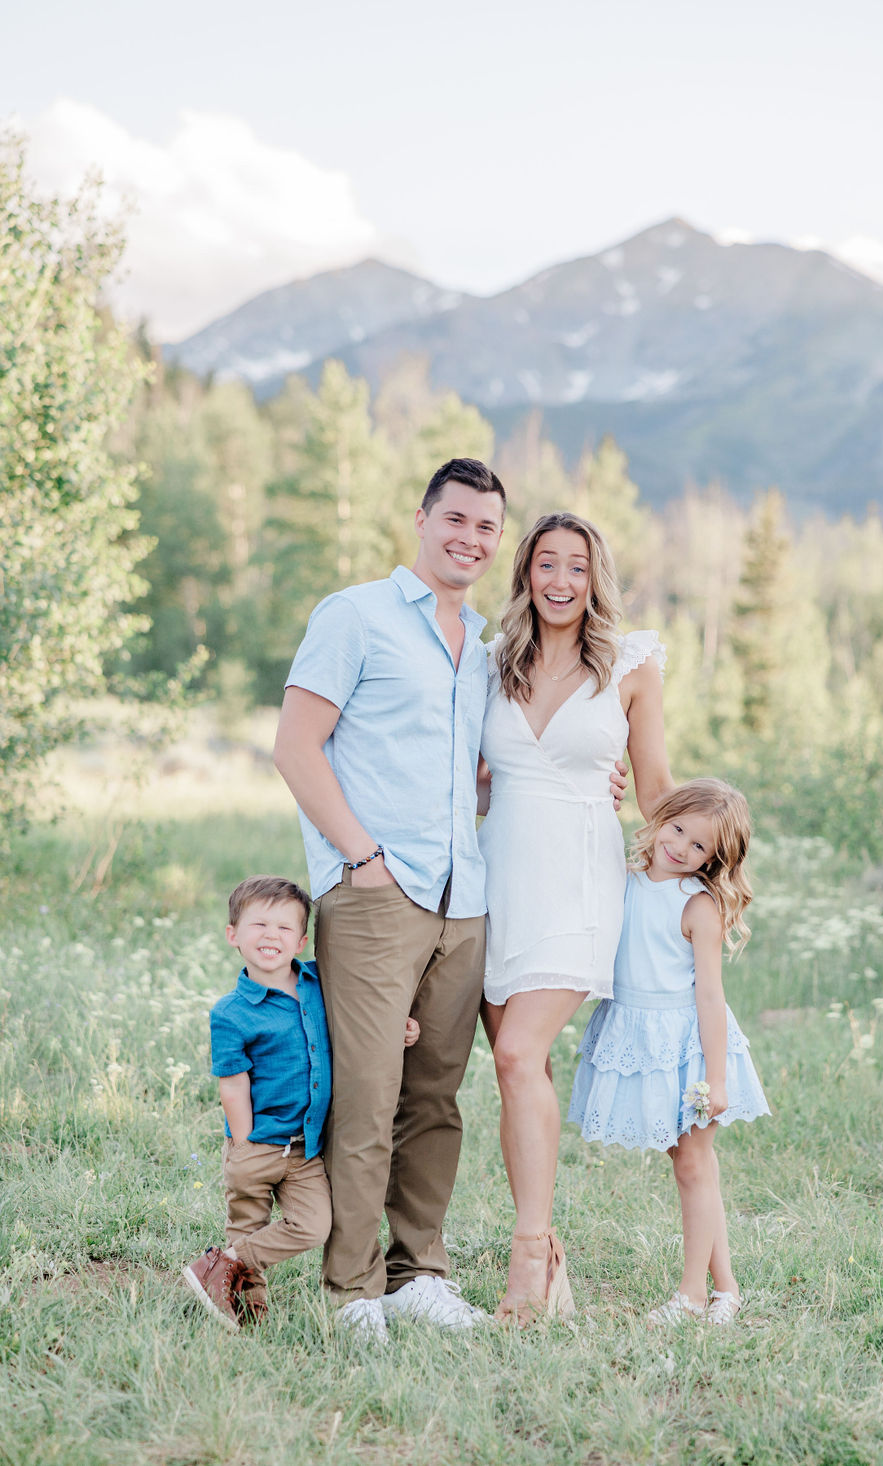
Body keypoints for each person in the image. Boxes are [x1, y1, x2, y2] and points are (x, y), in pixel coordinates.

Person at [273, 458, 506, 1342]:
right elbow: (298, 747)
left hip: (462, 901)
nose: (469, 539)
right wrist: (361, 859)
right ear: (421, 518)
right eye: (456, 519)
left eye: (486, 527)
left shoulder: (479, 650)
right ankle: (354, 1293)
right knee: (367, 1097)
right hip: (376, 894)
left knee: (435, 1100)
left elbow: (466, 783)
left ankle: (421, 1276)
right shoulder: (355, 615)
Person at [477, 511, 674, 1323]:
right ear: (525, 573)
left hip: (581, 886)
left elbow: (656, 787)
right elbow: (479, 779)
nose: (561, 581)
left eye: (578, 568)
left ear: (596, 581)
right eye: (546, 564)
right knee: (517, 1073)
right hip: (498, 885)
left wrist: (699, 866)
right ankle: (547, 1252)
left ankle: (528, 1262)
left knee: (521, 1057)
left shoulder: (631, 665)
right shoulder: (491, 663)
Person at [568, 779, 770, 1325]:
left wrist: (718, 1076)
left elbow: (710, 995)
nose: (680, 847)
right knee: (691, 1164)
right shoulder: (627, 882)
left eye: (698, 845)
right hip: (637, 1034)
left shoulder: (697, 906)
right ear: (662, 818)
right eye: (677, 829)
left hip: (688, 1046)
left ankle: (691, 1295)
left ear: (715, 859)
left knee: (692, 1164)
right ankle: (725, 1289)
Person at [183, 876, 414, 1328]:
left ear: (303, 940)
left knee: (314, 1225)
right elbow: (232, 1082)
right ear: (233, 934)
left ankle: (222, 1262)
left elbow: (362, 1015)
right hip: (255, 1144)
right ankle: (247, 1313)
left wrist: (394, 1028)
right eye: (259, 925)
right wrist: (246, 1141)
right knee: (247, 1222)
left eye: (285, 928)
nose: (271, 936)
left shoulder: (318, 983)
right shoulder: (230, 1012)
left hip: (305, 1148)